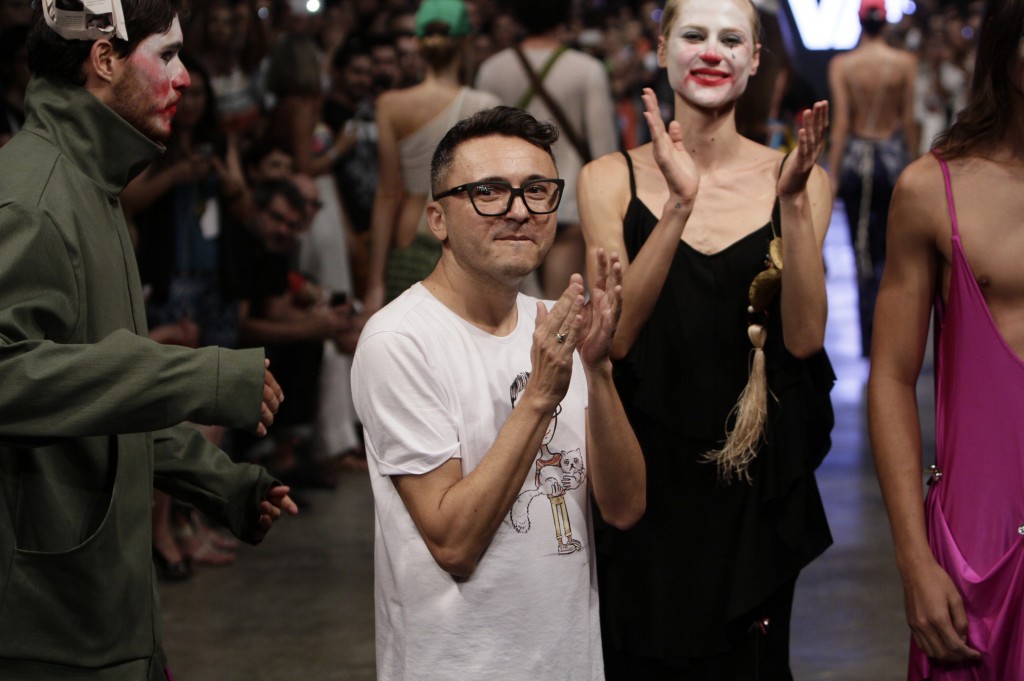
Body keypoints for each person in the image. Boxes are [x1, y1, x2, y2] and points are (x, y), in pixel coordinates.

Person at [0, 3, 297, 678]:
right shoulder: (32, 199)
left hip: (98, 611)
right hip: (47, 630)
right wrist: (194, 377)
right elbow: (9, 375)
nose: (185, 76)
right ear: (103, 59)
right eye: (166, 54)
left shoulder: (90, 185)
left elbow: (98, 398)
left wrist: (218, 482)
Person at [577, 0, 835, 677]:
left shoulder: (802, 179)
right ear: (663, 50)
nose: (712, 52)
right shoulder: (608, 178)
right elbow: (617, 339)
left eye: (731, 39)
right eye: (694, 35)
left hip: (751, 474)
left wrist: (795, 202)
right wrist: (678, 207)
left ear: (754, 60)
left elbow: (805, 338)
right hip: (643, 461)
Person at [351, 106, 646, 680]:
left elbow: (624, 507)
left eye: (537, 190)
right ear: (437, 219)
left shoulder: (555, 325)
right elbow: (454, 544)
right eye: (488, 191)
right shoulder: (399, 340)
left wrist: (598, 371)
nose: (518, 210)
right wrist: (540, 394)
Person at [868, 1, 1024, 678]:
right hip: (979, 539)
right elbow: (891, 377)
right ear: (1009, 50)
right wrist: (913, 558)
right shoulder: (931, 189)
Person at [474, 0, 619, 299]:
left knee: (513, 305)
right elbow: (604, 153)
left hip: (504, 199)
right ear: (565, 15)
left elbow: (478, 146)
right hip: (566, 200)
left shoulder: (492, 70)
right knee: (559, 305)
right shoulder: (587, 70)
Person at [363, 0, 499, 312]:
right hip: (465, 236)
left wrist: (374, 283)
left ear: (418, 43)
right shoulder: (486, 104)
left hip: (410, 233)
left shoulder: (390, 105)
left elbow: (386, 195)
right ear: (466, 41)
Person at [828, 0, 918, 356]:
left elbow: (842, 124)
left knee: (861, 252)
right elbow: (908, 120)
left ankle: (869, 339)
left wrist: (833, 175)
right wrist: (917, 168)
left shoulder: (843, 65)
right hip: (893, 163)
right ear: (886, 22)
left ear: (859, 20)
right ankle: (888, 338)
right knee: (892, 253)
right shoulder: (905, 63)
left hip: (857, 164)